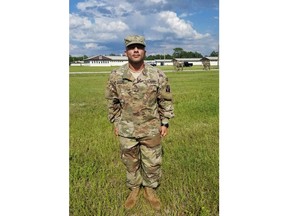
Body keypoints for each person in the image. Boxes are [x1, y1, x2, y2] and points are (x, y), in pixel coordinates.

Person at [105, 35, 174, 210]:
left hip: (151, 128)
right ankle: (134, 189)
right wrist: (115, 122)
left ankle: (150, 190)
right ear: (125, 52)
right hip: (126, 128)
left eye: (139, 47)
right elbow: (112, 101)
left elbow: (165, 101)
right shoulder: (116, 75)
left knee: (152, 162)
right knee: (130, 161)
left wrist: (164, 122)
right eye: (131, 47)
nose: (135, 50)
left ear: (145, 51)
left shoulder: (157, 75)